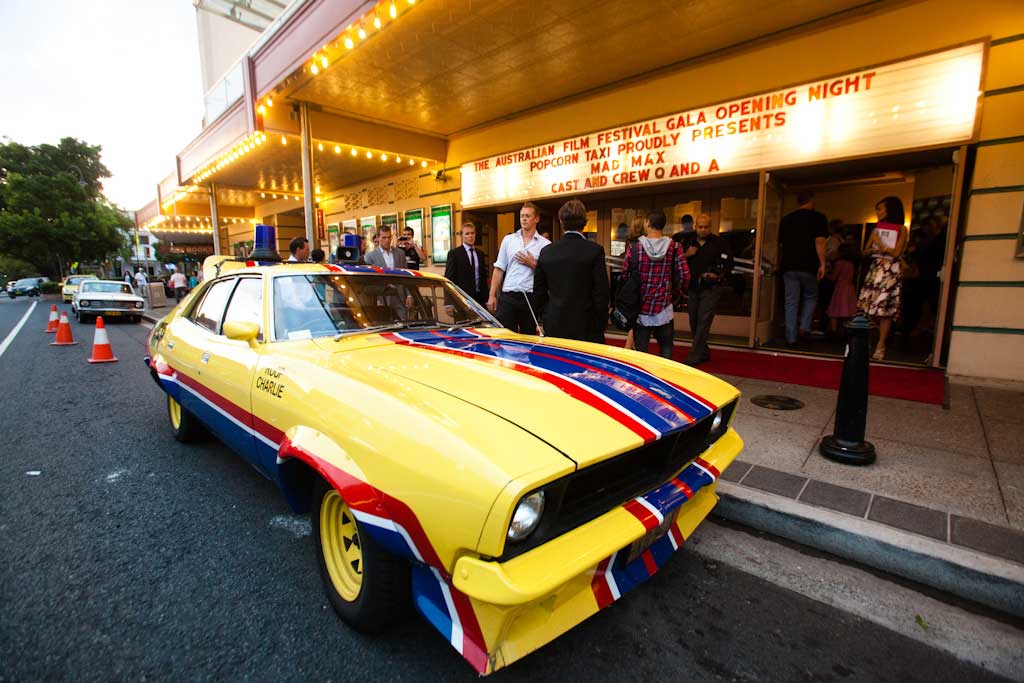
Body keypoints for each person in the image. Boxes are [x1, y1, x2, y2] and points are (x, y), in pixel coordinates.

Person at [534, 199, 609, 342]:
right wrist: (601, 323)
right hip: (587, 326)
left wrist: (545, 317)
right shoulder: (594, 251)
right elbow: (601, 294)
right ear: (585, 222)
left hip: (555, 323)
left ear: (561, 222)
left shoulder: (547, 252)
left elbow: (539, 291)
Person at [621, 209, 689, 358]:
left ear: (647, 223)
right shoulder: (675, 247)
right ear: (663, 225)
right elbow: (685, 275)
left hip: (641, 309)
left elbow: (625, 275)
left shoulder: (634, 247)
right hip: (664, 309)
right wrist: (678, 294)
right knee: (666, 351)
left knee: (641, 354)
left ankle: (643, 380)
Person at [488, 202, 551, 334]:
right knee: (504, 336)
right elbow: (499, 269)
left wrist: (533, 263)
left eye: (527, 216)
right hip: (508, 295)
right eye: (521, 216)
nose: (523, 219)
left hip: (530, 296)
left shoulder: (545, 244)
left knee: (527, 338)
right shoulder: (508, 240)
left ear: (536, 219)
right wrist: (492, 295)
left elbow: (549, 275)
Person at [858, 196, 908, 360]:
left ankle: (881, 344)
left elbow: (896, 253)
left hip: (890, 270)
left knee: (885, 309)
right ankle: (868, 341)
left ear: (890, 210)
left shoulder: (901, 229)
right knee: (869, 306)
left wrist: (880, 244)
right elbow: (865, 251)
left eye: (880, 209)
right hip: (876, 268)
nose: (878, 213)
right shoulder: (876, 229)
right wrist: (874, 248)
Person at [778, 190, 827, 345]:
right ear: (811, 200)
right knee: (811, 297)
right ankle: (804, 327)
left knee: (791, 301)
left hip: (789, 265)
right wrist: (823, 264)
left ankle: (791, 336)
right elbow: (820, 242)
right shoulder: (818, 218)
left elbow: (780, 244)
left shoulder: (786, 219)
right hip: (808, 265)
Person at [684, 213, 733, 365]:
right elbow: (677, 261)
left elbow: (729, 264)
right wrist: (687, 254)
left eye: (706, 227)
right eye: (700, 227)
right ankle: (703, 352)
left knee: (703, 322)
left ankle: (694, 356)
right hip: (692, 288)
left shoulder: (719, 243)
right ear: (695, 227)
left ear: (710, 227)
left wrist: (716, 274)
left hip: (711, 288)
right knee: (694, 321)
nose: (703, 230)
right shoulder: (688, 242)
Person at [444, 221, 489, 305]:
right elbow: (449, 279)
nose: (470, 236)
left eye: (472, 233)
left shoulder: (480, 254)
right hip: (461, 299)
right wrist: (448, 303)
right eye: (467, 234)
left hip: (479, 299)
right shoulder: (454, 254)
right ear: (461, 236)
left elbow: (483, 278)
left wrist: (487, 299)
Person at [826, 241, 858, 334]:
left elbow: (833, 277)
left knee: (834, 311)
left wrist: (826, 274)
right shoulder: (852, 264)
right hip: (850, 288)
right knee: (848, 311)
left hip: (840, 289)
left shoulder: (840, 263)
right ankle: (847, 332)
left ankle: (834, 332)